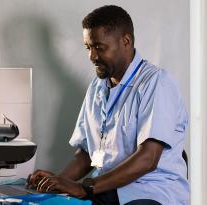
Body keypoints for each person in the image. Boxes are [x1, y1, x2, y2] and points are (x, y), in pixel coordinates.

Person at [27, 5, 189, 205]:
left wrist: (85, 187)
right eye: (88, 47)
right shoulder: (97, 87)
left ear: (126, 41)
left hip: (151, 193)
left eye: (99, 47)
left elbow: (148, 159)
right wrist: (59, 181)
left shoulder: (157, 83)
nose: (92, 56)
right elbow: (87, 154)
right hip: (106, 189)